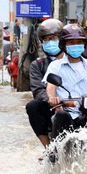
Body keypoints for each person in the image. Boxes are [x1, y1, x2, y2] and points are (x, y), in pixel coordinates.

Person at [25, 19, 66, 152]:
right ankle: (49, 150)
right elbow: (38, 90)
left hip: (77, 103)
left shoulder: (78, 60)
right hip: (52, 105)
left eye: (53, 38)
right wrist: (52, 100)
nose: (50, 42)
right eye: (46, 39)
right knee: (33, 106)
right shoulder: (38, 65)